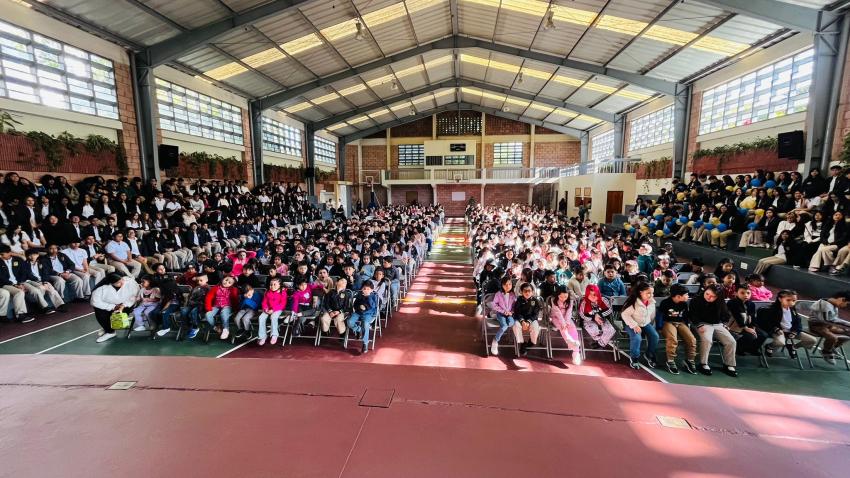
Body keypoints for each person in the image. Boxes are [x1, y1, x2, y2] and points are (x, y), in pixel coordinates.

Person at [689, 284, 738, 377]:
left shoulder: (721, 302)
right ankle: (703, 363)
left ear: (718, 297)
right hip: (701, 323)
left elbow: (725, 315)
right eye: (707, 294)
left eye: (713, 296)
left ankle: (729, 364)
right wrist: (699, 325)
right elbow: (692, 315)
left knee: (731, 342)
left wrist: (725, 324)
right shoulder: (696, 300)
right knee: (707, 340)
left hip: (717, 324)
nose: (709, 297)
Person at [756, 289, 817, 359]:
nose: (791, 303)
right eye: (788, 300)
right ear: (780, 299)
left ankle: (793, 347)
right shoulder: (771, 310)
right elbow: (766, 323)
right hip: (779, 331)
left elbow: (798, 323)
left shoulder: (792, 310)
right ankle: (769, 346)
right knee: (781, 342)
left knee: (812, 340)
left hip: (791, 331)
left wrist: (795, 332)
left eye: (794, 301)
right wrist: (776, 329)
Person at [656, 284, 696, 375]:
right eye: (686, 295)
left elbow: (686, 316)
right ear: (678, 296)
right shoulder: (665, 303)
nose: (688, 296)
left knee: (692, 340)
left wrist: (687, 326)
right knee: (673, 339)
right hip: (668, 322)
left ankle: (690, 360)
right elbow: (660, 316)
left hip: (680, 323)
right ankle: (670, 360)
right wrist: (659, 327)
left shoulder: (684, 304)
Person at [89, 273, 140, 343]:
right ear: (111, 283)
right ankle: (110, 332)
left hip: (125, 305)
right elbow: (95, 302)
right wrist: (113, 307)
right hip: (108, 306)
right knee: (98, 310)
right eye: (118, 282)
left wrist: (123, 305)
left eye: (122, 280)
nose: (122, 283)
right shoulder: (100, 289)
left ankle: (108, 327)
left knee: (118, 318)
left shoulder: (131, 282)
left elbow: (134, 296)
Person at [620, 282, 658, 369]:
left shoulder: (652, 302)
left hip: (645, 323)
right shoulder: (633, 302)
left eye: (652, 293)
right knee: (637, 338)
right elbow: (624, 315)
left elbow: (652, 315)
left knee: (655, 336)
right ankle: (634, 357)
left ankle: (649, 354)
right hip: (632, 324)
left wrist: (650, 324)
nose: (651, 295)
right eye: (648, 293)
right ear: (640, 292)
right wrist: (634, 325)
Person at [808, 290, 850, 364]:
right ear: (842, 299)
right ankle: (826, 352)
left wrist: (846, 326)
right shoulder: (824, 305)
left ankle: (831, 347)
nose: (846, 306)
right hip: (816, 326)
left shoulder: (834, 305)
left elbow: (834, 319)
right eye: (847, 304)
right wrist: (845, 325)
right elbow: (826, 320)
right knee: (832, 337)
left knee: (848, 333)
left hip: (828, 326)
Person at [726, 284, 768, 356]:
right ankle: (738, 348)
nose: (746, 295)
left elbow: (753, 317)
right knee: (750, 336)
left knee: (763, 335)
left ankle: (752, 349)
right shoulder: (732, 303)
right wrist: (746, 328)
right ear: (736, 293)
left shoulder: (751, 304)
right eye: (742, 293)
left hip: (747, 325)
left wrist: (753, 327)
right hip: (735, 326)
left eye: (748, 293)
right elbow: (737, 317)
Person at [547, 285, 581, 365]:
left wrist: (567, 322)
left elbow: (569, 311)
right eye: (561, 297)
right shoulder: (553, 299)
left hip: (567, 318)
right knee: (563, 328)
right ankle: (569, 339)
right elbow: (557, 312)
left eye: (565, 297)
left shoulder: (570, 300)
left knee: (573, 328)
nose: (563, 299)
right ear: (557, 295)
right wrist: (563, 323)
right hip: (556, 317)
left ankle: (576, 353)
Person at [0, 244, 34, 322]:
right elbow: (1, 277)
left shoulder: (18, 260)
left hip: (18, 282)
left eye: (2, 254)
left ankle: (31, 310)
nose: (0, 256)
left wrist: (20, 283)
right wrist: (14, 285)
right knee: (19, 292)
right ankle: (20, 315)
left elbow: (23, 273)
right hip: (5, 284)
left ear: (9, 253)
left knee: (27, 289)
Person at [204, 275, 240, 340]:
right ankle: (216, 327)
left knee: (224, 312)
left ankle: (226, 329)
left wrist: (236, 310)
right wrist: (208, 308)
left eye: (229, 282)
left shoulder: (233, 289)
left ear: (232, 285)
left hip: (227, 306)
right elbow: (208, 298)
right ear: (223, 279)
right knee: (207, 314)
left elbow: (235, 300)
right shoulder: (215, 288)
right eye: (226, 280)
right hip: (216, 306)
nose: (226, 282)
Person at [348, 281, 379, 353]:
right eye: (364, 288)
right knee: (349, 322)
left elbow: (373, 306)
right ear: (362, 289)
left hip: (368, 314)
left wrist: (368, 297)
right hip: (358, 312)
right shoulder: (359, 295)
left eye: (368, 289)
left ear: (371, 290)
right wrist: (359, 307)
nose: (366, 290)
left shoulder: (373, 296)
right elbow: (355, 305)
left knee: (365, 324)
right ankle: (359, 329)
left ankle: (365, 343)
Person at [513, 282, 542, 356]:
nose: (527, 293)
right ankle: (522, 343)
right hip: (520, 319)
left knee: (535, 327)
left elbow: (535, 314)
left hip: (531, 320)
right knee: (516, 326)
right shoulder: (519, 300)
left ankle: (531, 343)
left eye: (529, 291)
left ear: (532, 291)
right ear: (521, 292)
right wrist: (522, 321)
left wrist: (528, 322)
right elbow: (517, 312)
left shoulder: (536, 301)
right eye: (525, 291)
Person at [490, 276, 517, 356]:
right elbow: (494, 305)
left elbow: (515, 306)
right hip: (501, 313)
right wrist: (503, 311)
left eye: (509, 284)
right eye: (505, 284)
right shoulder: (498, 294)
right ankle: (495, 340)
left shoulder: (513, 295)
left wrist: (512, 312)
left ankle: (497, 318)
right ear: (502, 285)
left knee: (511, 323)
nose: (508, 286)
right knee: (504, 326)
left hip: (509, 314)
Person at [257, 277, 287, 346]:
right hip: (268, 309)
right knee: (261, 318)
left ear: (279, 285)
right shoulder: (267, 292)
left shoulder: (283, 292)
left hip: (278, 309)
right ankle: (262, 336)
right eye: (271, 284)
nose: (272, 286)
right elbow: (264, 302)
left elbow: (282, 304)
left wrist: (273, 310)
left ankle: (274, 335)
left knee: (273, 317)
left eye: (274, 284)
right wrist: (265, 308)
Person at [181, 274, 209, 339]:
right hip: (192, 304)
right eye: (198, 281)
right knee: (183, 311)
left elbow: (206, 301)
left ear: (206, 280)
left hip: (201, 306)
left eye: (201, 280)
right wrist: (190, 302)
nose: (199, 282)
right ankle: (188, 326)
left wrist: (197, 303)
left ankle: (195, 327)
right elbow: (190, 297)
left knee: (194, 311)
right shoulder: (195, 288)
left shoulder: (208, 289)